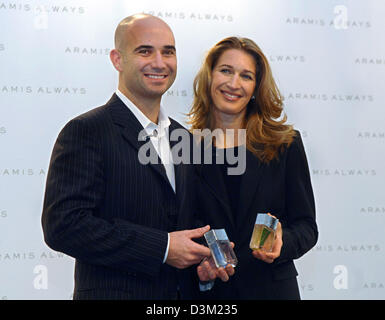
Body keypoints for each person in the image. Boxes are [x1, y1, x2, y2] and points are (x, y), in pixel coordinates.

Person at [41, 14, 211, 300]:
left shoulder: (184, 138)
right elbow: (63, 225)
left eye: (168, 51)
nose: (159, 62)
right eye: (145, 51)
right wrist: (163, 248)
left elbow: (186, 220)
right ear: (117, 60)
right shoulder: (86, 130)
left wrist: (206, 258)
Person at [188, 37, 318, 299]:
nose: (234, 84)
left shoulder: (285, 144)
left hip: (272, 291)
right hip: (211, 295)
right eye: (225, 70)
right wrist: (200, 265)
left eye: (246, 76)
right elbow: (181, 228)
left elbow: (306, 227)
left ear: (256, 87)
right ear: (209, 77)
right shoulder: (184, 148)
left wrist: (282, 243)